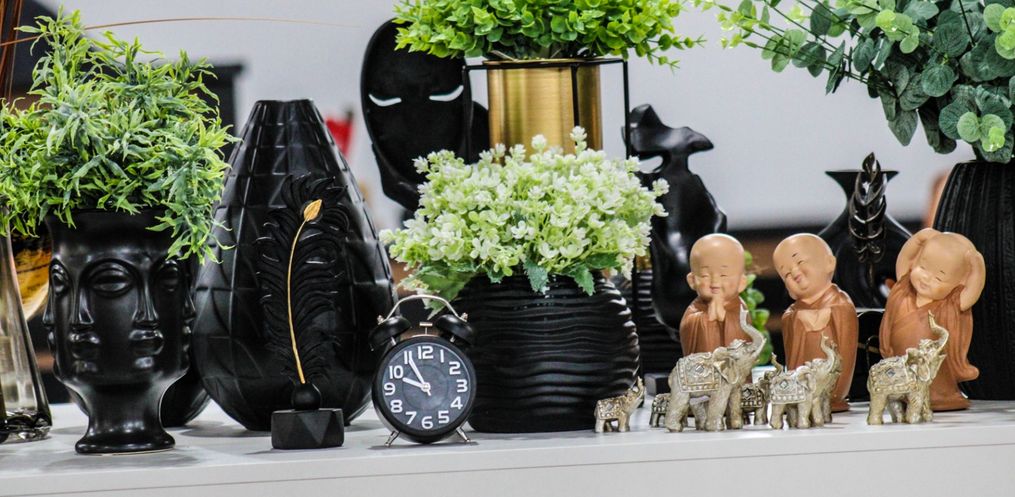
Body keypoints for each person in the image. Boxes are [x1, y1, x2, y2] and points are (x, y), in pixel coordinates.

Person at [879, 228, 986, 411]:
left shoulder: (950, 305)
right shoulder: (904, 290)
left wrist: (977, 266)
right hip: (902, 361)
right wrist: (917, 240)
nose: (926, 278)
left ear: (959, 283)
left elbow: (972, 292)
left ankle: (939, 395)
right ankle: (904, 394)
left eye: (938, 278)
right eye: (922, 267)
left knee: (935, 379)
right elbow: (904, 260)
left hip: (933, 368)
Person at [774, 234, 858, 412]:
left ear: (829, 263)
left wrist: (838, 389)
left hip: (831, 386)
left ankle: (833, 396)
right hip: (802, 387)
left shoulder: (841, 305)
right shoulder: (790, 315)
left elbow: (846, 350)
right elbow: (791, 355)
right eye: (786, 274)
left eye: (800, 262)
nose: (794, 273)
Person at [679, 234, 750, 355]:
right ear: (692, 281)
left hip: (732, 367)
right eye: (705, 275)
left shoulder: (740, 308)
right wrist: (705, 318)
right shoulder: (694, 310)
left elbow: (745, 337)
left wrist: (724, 316)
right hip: (702, 366)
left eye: (723, 275)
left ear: (741, 282)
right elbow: (687, 329)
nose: (715, 282)